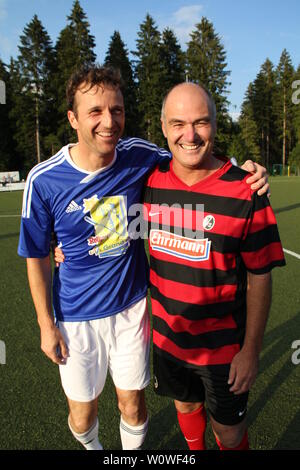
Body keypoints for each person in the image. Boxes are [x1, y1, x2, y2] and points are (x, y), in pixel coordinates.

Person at [19, 65, 269, 451]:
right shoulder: (44, 179)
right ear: (72, 118)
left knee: (133, 406)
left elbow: (191, 152)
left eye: (116, 110)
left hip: (132, 310)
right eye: (95, 112)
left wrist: (243, 167)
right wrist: (44, 324)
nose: (109, 122)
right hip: (74, 317)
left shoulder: (139, 156)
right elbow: (35, 255)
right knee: (83, 416)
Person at [143, 82, 286, 450]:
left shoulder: (246, 190)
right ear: (162, 126)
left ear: (216, 125)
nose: (189, 135)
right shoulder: (149, 182)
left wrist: (251, 350)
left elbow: (260, 276)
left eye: (201, 122)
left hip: (224, 349)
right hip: (167, 340)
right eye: (178, 123)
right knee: (186, 404)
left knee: (228, 432)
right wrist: (60, 248)